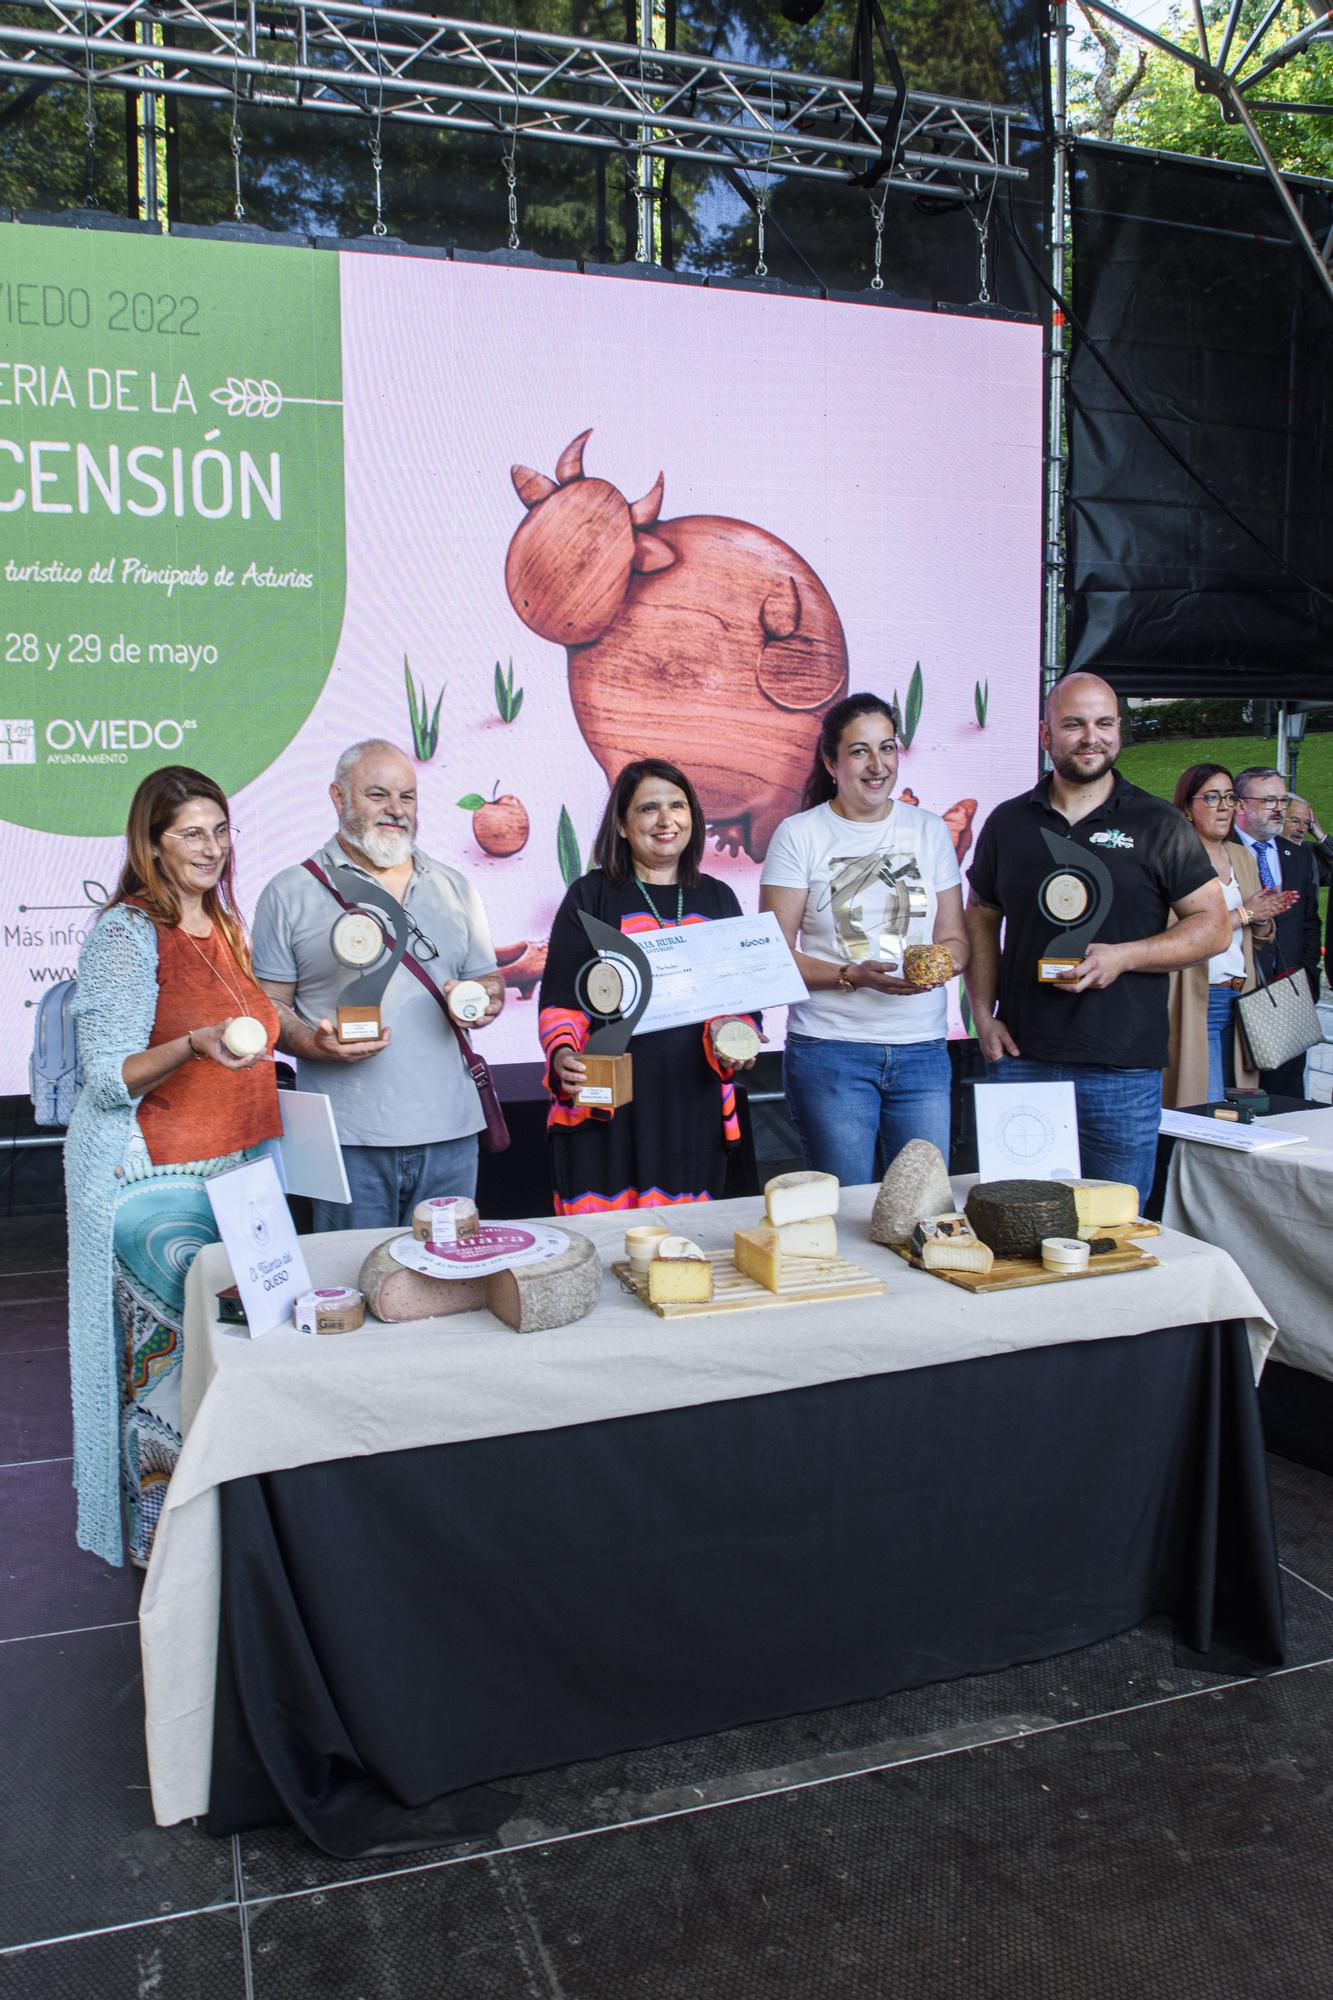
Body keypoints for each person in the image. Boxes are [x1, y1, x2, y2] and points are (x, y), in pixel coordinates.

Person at [65, 767, 281, 1568]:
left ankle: (223, 1546)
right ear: (151, 842)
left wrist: (310, 1034)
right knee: (165, 1387)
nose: (212, 849)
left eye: (221, 831)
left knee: (229, 1371)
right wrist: (190, 1045)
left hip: (239, 1176)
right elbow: (106, 1074)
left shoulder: (222, 921)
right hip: (159, 1190)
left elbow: (255, 1020)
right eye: (192, 833)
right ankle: (164, 1557)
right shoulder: (126, 932)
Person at [964, 673, 1229, 1210]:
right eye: (1074, 724)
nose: (1092, 736)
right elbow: (982, 918)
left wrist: (1126, 956)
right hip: (1022, 1057)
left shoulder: (1158, 822)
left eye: (1105, 723)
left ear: (1119, 731)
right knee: (1020, 1223)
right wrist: (980, 1013)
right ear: (1045, 735)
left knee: (1115, 1227)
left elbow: (1213, 926)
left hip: (1123, 1065)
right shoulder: (1009, 821)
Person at [252, 740, 504, 1231]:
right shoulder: (289, 891)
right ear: (338, 797)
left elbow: (484, 979)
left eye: (407, 797)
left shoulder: (455, 887)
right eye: (377, 794)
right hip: (348, 1140)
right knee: (354, 1282)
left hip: (451, 1134)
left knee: (450, 1285)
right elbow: (269, 1006)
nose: (395, 810)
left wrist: (484, 999)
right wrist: (311, 1042)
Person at [758, 693, 968, 1180]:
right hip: (831, 1050)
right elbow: (772, 956)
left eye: (887, 748)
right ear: (831, 762)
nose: (878, 766)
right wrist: (852, 975)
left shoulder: (929, 830)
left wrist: (941, 964)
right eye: (859, 751)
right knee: (844, 1207)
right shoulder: (799, 834)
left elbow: (956, 938)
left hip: (922, 1051)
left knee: (924, 1205)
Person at [538, 758, 761, 1214]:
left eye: (678, 805)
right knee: (604, 1247)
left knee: (685, 1243)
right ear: (621, 825)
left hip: (690, 1104)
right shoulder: (591, 895)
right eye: (648, 808)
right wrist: (563, 1055)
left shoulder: (718, 897)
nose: (666, 820)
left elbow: (742, 997)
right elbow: (560, 997)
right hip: (608, 1104)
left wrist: (737, 1034)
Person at [1163, 765, 1289, 1107]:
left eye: (1230, 797)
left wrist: (1264, 917)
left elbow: (1257, 936)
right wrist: (1247, 913)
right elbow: (1176, 934)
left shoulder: (1242, 856)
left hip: (1243, 995)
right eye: (1212, 797)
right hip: (1199, 995)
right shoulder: (1175, 857)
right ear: (1188, 807)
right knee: (1206, 1104)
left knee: (1240, 1102)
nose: (1224, 806)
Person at [1232, 766, 1323, 1097]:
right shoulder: (1217, 851)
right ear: (1240, 805)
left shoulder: (1297, 857)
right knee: (1237, 1094)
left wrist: (1308, 977)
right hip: (1234, 994)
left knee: (1286, 1097)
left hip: (1287, 994)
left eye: (1282, 800)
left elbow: (1310, 922)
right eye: (1269, 800)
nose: (1279, 809)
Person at [1282, 796, 1333, 888]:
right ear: (1279, 820)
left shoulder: (1310, 853)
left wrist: (1319, 833)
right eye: (1295, 821)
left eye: (1307, 823)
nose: (1302, 829)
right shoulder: (1264, 852)